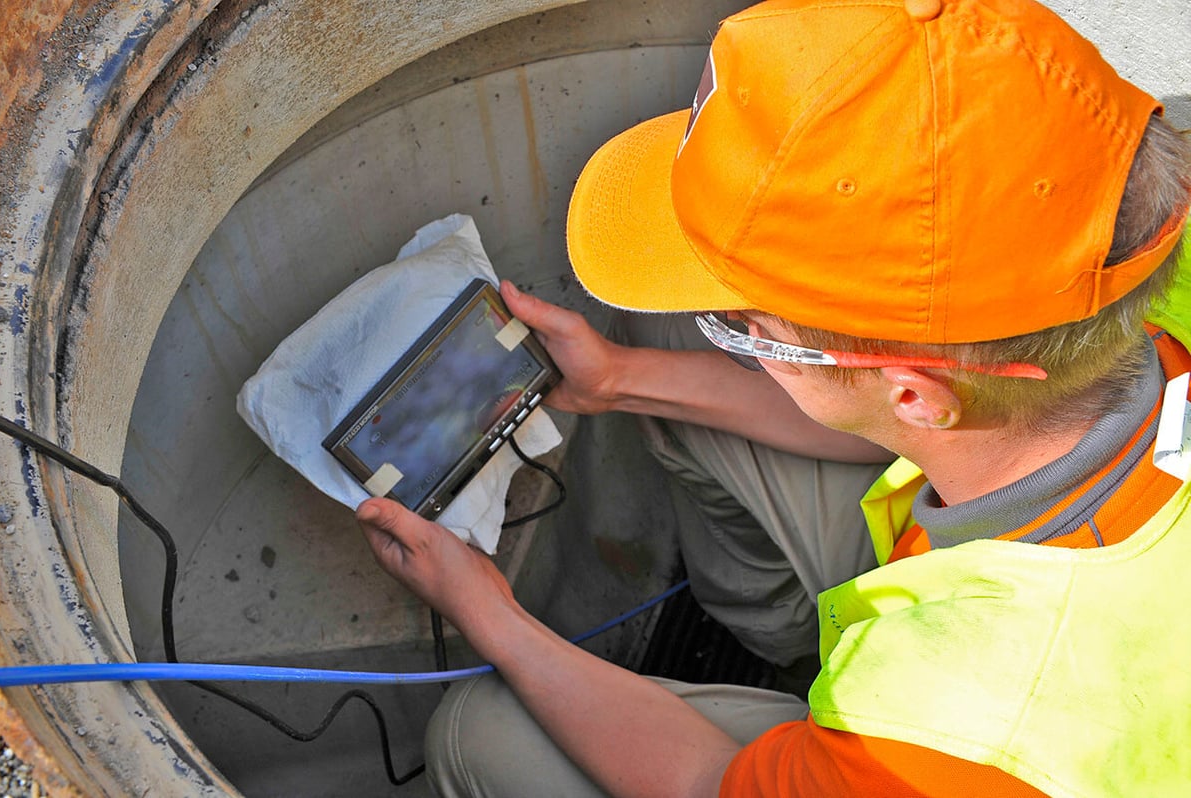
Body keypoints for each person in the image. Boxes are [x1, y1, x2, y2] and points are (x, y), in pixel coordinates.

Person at [357, 0, 1191, 794]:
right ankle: (783, 635)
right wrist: (617, 380)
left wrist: (488, 612)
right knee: (667, 345)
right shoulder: (1124, 253)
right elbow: (937, 413)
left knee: (474, 733)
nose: (724, 323)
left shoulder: (958, 729)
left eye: (744, 325)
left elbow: (702, 783)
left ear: (914, 395)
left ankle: (790, 665)